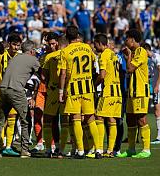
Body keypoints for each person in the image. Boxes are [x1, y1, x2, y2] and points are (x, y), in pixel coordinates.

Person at [0, 40, 40, 158]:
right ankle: (24, 150)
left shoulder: (15, 58)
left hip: (3, 89)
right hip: (16, 90)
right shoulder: (33, 59)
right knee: (26, 120)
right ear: (32, 51)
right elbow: (42, 75)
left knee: (0, 121)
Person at [59, 25, 101, 159]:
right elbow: (95, 66)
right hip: (88, 87)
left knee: (76, 118)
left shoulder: (65, 52)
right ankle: (99, 149)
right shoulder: (87, 48)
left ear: (67, 37)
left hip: (74, 88)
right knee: (91, 119)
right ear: (78, 36)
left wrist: (61, 90)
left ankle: (81, 151)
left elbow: (63, 73)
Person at [117, 29, 151, 158]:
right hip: (132, 91)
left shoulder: (141, 51)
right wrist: (128, 56)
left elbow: (130, 69)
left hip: (140, 91)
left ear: (132, 39)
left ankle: (146, 150)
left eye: (127, 39)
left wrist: (128, 56)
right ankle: (131, 149)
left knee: (141, 119)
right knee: (130, 119)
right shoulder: (136, 52)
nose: (125, 42)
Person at [0, 33, 22, 156]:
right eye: (14, 45)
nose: (16, 48)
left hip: (15, 91)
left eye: (18, 45)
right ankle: (1, 144)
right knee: (1, 120)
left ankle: (8, 146)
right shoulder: (0, 56)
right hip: (2, 92)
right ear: (9, 44)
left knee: (12, 119)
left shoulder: (20, 57)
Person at [94, 33, 122, 158]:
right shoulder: (113, 54)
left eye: (95, 44)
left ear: (100, 43)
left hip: (108, 92)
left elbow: (102, 75)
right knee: (112, 120)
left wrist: (94, 85)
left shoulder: (103, 55)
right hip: (117, 92)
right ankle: (110, 150)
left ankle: (99, 149)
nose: (95, 47)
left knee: (99, 117)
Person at [42, 35, 69, 158]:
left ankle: (56, 149)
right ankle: (55, 149)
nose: (52, 46)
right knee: (53, 121)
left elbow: (44, 76)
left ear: (58, 43)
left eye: (53, 44)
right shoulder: (68, 54)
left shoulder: (49, 57)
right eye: (50, 44)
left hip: (54, 91)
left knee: (55, 120)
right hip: (63, 91)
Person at [141, 43, 160, 145]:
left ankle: (159, 137)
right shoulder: (151, 59)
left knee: (157, 111)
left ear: (146, 50)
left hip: (158, 87)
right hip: (155, 86)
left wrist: (157, 86)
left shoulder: (156, 57)